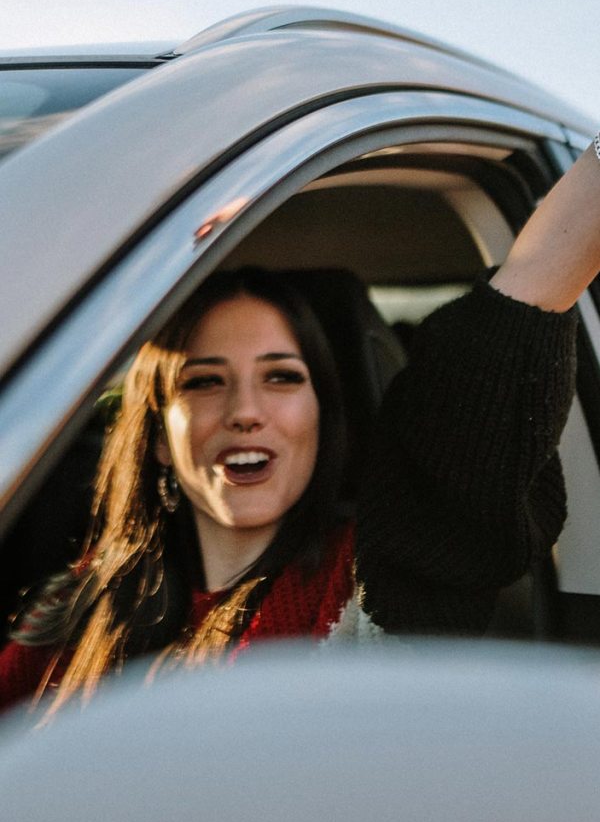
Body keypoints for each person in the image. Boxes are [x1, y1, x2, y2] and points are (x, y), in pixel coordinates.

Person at [2, 132, 600, 716]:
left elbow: (520, 312)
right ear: (159, 437)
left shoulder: (375, 587)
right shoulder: (80, 604)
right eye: (203, 381)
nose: (245, 411)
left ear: (322, 413)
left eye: (282, 377)